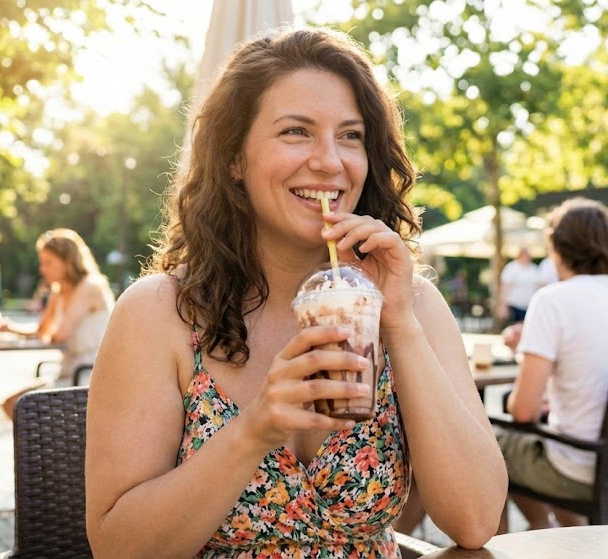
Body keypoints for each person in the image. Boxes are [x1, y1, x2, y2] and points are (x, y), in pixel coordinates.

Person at [84, 27, 507, 557]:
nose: (330, 161)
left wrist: (400, 325)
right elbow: (117, 548)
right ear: (234, 157)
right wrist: (254, 430)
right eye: (295, 132)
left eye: (350, 136)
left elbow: (475, 521)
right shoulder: (160, 312)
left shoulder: (411, 303)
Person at [496, 198, 608, 531]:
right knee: (545, 440)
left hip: (587, 474)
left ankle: (533, 536)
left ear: (557, 248)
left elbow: (523, 412)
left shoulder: (552, 300)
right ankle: (563, 540)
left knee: (489, 445)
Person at [1, 228, 114, 419]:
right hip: (68, 372)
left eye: (48, 262)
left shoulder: (89, 287)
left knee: (20, 406)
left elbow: (60, 334)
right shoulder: (59, 290)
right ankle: (39, 440)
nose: (42, 269)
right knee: (12, 404)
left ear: (67, 262)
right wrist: (11, 329)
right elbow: (42, 331)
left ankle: (46, 439)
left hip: (89, 376)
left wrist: (47, 334)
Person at [496, 248, 539, 324]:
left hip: (529, 306)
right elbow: (505, 288)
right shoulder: (511, 268)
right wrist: (502, 305)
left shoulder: (534, 268)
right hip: (513, 306)